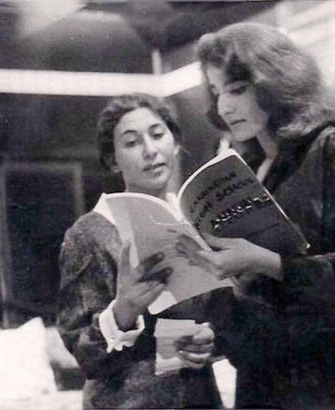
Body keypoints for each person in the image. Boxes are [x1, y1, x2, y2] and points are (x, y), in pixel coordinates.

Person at [182, 22, 335, 409]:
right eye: (216, 91)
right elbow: (259, 302)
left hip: (333, 382)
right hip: (265, 379)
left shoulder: (330, 147)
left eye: (236, 89)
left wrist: (266, 262)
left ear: (275, 82)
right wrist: (219, 329)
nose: (224, 107)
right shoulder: (247, 169)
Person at [57, 93, 222, 409]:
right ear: (113, 160)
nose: (150, 150)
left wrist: (210, 339)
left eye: (157, 134)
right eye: (132, 142)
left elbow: (218, 317)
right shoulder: (89, 233)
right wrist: (123, 311)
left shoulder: (195, 220)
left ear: (174, 142)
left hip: (201, 399)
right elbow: (83, 354)